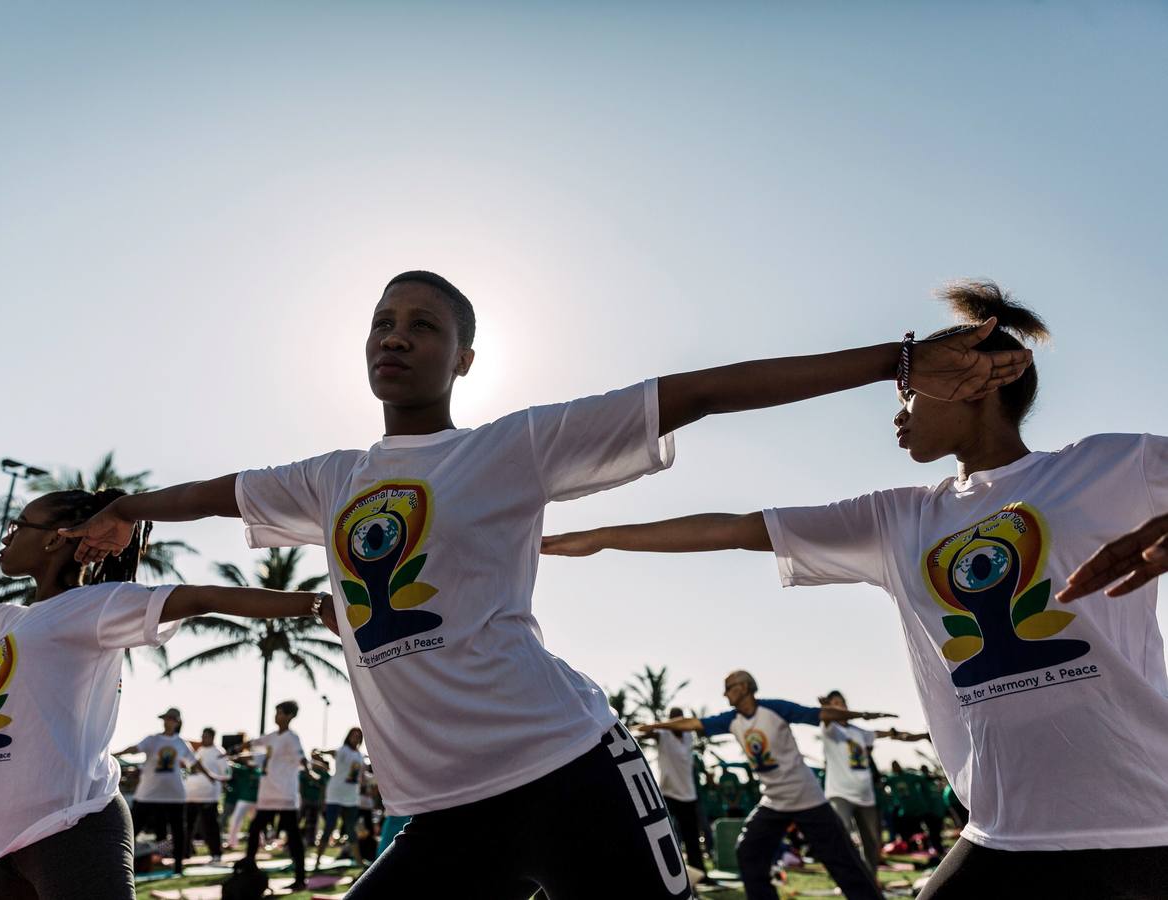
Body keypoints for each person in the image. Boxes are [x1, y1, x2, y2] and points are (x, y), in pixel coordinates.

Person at [62, 270, 1029, 899]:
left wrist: (897, 361)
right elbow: (218, 491)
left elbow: (697, 391)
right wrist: (131, 509)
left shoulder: (510, 449)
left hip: (567, 769)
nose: (394, 338)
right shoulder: (330, 478)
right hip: (442, 810)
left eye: (422, 325)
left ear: (464, 357)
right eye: (381, 323)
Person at [542, 281, 1168, 898]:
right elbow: (736, 529)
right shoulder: (896, 520)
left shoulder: (1110, 468)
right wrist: (600, 535)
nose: (900, 413)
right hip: (1005, 834)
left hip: (1148, 824)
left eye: (910, 392)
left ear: (977, 383)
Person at [0, 487, 336, 900]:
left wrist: (314, 605)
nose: (9, 532)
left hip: (72, 828)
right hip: (4, 846)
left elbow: (200, 597)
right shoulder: (0, 621)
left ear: (53, 539)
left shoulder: (97, 606)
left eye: (20, 523)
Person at [641, 671, 887, 900]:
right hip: (774, 801)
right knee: (749, 851)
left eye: (729, 688)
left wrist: (862, 715)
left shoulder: (775, 709)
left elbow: (822, 714)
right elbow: (691, 724)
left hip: (806, 797)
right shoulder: (732, 720)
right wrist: (655, 727)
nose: (725, 694)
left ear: (744, 688)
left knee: (842, 860)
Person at [818, 690, 927, 875]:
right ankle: (844, 876)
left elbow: (879, 734)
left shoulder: (857, 731)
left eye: (842, 702)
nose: (840, 706)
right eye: (834, 703)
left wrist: (897, 732)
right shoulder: (829, 729)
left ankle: (869, 879)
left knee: (873, 841)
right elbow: (827, 717)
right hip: (840, 794)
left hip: (865, 795)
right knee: (841, 836)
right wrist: (825, 709)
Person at [116, 708, 200, 875]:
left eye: (170, 719)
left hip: (174, 795)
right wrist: (115, 754)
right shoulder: (153, 740)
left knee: (178, 831)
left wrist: (212, 776)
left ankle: (178, 867)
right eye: (165, 719)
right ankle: (118, 863)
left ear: (176, 722)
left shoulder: (181, 743)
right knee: (131, 828)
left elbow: (195, 763)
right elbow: (135, 749)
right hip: (149, 793)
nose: (167, 722)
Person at [241, 700, 310, 892]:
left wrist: (309, 770)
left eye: (280, 712)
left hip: (285, 796)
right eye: (276, 712)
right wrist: (239, 745)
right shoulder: (271, 737)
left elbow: (302, 758)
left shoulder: (292, 737)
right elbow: (253, 743)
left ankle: (300, 879)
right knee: (255, 830)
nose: (276, 716)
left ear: (289, 716)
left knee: (293, 838)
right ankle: (247, 870)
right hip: (267, 794)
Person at [648, 707, 708, 878]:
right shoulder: (663, 733)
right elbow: (650, 732)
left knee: (692, 838)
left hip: (688, 794)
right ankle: (665, 874)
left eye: (680, 720)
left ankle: (700, 873)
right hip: (668, 793)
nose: (678, 724)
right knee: (663, 834)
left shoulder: (688, 735)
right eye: (674, 721)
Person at [314, 726, 364, 871]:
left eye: (358, 736)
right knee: (329, 826)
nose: (355, 738)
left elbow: (360, 776)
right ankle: (317, 861)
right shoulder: (343, 750)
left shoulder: (360, 755)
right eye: (353, 735)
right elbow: (333, 752)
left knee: (351, 829)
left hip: (351, 796)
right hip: (335, 794)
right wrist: (321, 751)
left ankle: (359, 861)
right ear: (348, 737)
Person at [183, 727, 230, 861]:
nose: (203, 738)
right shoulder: (199, 751)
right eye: (202, 736)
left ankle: (216, 853)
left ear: (212, 737)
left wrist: (217, 781)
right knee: (188, 825)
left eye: (206, 736)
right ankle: (185, 852)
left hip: (209, 796)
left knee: (210, 826)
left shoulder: (218, 752)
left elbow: (226, 773)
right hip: (191, 795)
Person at [223, 754, 260, 850]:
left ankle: (260, 842)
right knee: (235, 821)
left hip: (256, 802)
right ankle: (232, 843)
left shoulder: (259, 772)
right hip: (243, 800)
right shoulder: (243, 770)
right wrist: (233, 758)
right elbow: (229, 765)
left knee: (257, 823)